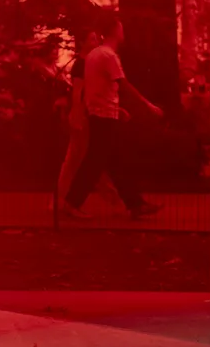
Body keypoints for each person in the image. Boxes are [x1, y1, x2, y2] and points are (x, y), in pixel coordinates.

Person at [63, 13, 164, 220]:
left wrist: (117, 110)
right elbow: (122, 85)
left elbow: (97, 89)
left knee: (115, 160)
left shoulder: (93, 55)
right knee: (95, 161)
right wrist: (148, 105)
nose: (123, 31)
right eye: (120, 28)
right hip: (105, 116)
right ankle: (71, 203)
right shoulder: (109, 56)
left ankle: (135, 204)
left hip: (100, 113)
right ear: (114, 31)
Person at [56, 29, 121, 213]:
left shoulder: (89, 62)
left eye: (96, 38)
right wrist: (78, 111)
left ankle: (109, 196)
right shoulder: (82, 64)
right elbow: (78, 91)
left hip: (89, 112)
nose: (95, 41)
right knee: (80, 158)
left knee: (83, 157)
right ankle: (108, 196)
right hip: (83, 114)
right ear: (82, 42)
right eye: (91, 39)